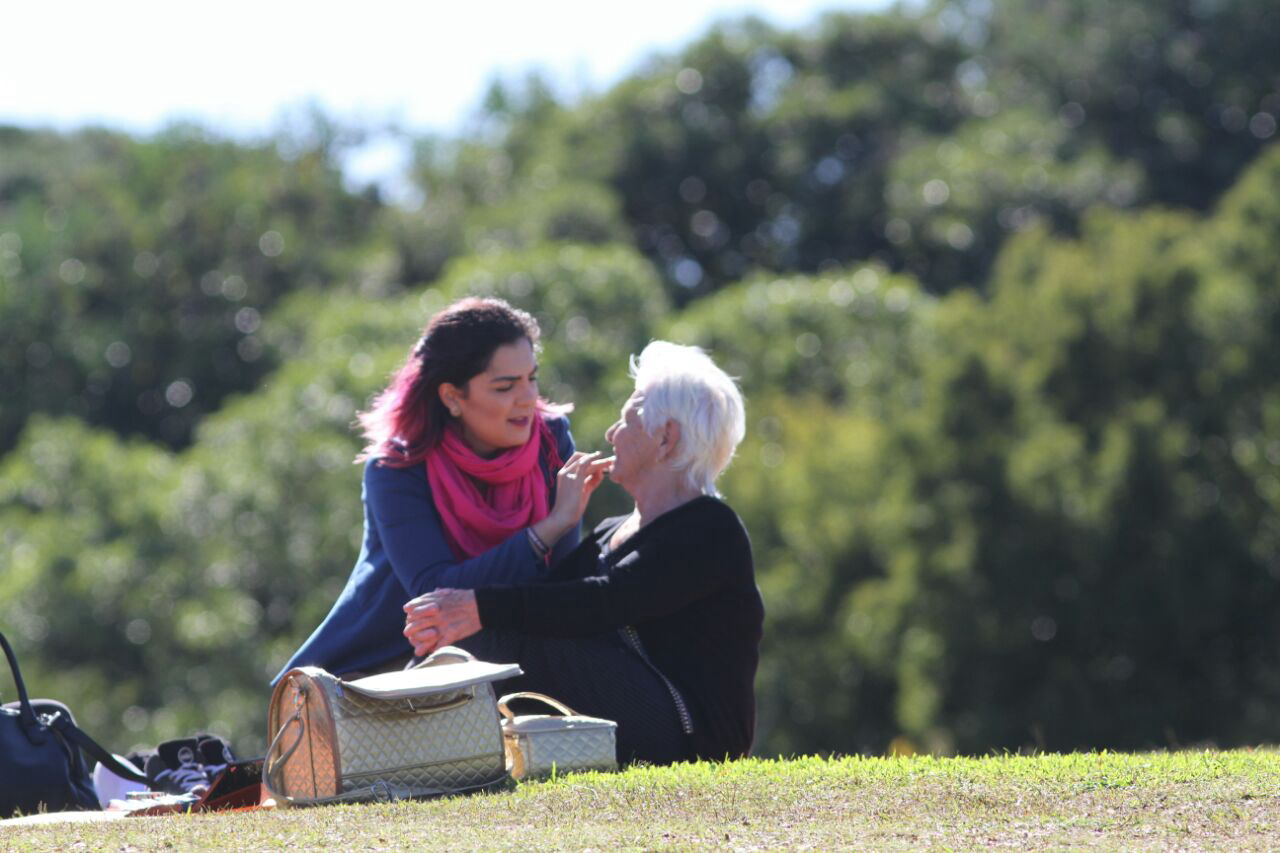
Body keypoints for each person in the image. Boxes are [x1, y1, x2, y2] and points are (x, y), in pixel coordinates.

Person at [403, 341, 764, 764]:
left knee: (504, 634)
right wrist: (560, 520)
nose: (612, 434)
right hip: (635, 712)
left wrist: (477, 608)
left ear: (666, 438)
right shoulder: (613, 530)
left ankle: (393, 731)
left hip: (691, 736)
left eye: (627, 421)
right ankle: (400, 736)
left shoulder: (709, 528)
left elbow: (608, 601)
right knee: (491, 632)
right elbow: (547, 602)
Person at [274, 297, 611, 683]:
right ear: (452, 396)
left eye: (532, 378)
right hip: (385, 671)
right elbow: (435, 594)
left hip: (518, 653)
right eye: (505, 387)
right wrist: (548, 530)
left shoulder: (551, 438)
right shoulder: (395, 468)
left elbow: (559, 583)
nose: (528, 399)